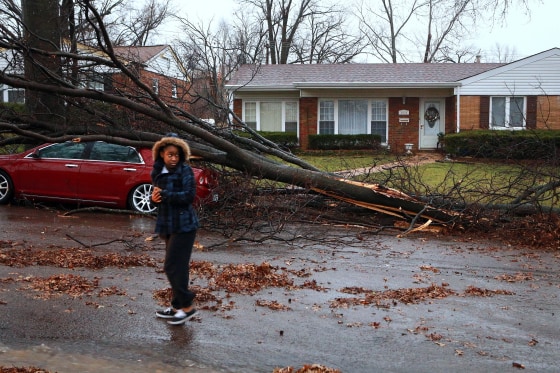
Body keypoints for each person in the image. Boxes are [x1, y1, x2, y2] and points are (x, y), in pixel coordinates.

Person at [151, 133, 199, 325]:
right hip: (167, 223)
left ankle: (187, 307)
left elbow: (189, 196)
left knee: (171, 265)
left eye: (177, 155)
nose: (174, 158)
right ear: (162, 153)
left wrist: (165, 194)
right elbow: (156, 197)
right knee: (179, 267)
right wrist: (152, 200)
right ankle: (177, 306)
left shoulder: (185, 171)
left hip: (184, 225)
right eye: (170, 154)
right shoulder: (157, 171)